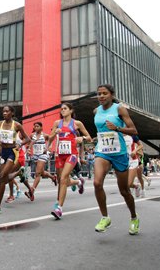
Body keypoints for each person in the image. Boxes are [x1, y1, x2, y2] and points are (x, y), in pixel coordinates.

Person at [92, 84, 140, 234]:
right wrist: (98, 137)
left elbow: (134, 131)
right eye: (99, 94)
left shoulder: (119, 109)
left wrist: (117, 128)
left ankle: (134, 217)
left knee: (124, 191)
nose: (101, 96)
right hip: (102, 151)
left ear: (111, 94)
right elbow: (101, 129)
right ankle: (105, 217)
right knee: (97, 182)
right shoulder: (96, 111)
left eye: (104, 93)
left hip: (119, 152)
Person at [48, 102, 92, 219]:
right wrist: (54, 134)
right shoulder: (57, 123)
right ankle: (78, 182)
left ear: (71, 111)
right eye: (61, 109)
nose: (62, 111)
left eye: (65, 109)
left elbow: (89, 138)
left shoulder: (77, 123)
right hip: (60, 155)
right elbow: (50, 138)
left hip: (71, 155)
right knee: (64, 181)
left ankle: (59, 208)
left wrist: (81, 138)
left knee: (63, 179)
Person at [0, 106, 30, 215]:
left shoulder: (16, 125)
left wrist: (19, 144)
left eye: (7, 111)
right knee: (3, 179)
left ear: (12, 113)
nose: (4, 113)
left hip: (13, 152)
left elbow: (27, 139)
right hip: (3, 152)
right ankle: (18, 173)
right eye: (3, 111)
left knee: (2, 177)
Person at [30, 122, 57, 193]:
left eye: (37, 126)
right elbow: (29, 142)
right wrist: (29, 148)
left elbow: (50, 140)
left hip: (43, 154)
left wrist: (47, 148)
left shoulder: (45, 135)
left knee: (37, 173)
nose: (36, 128)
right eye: (35, 126)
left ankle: (32, 190)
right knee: (42, 172)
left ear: (41, 127)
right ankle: (53, 177)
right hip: (35, 155)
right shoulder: (32, 135)